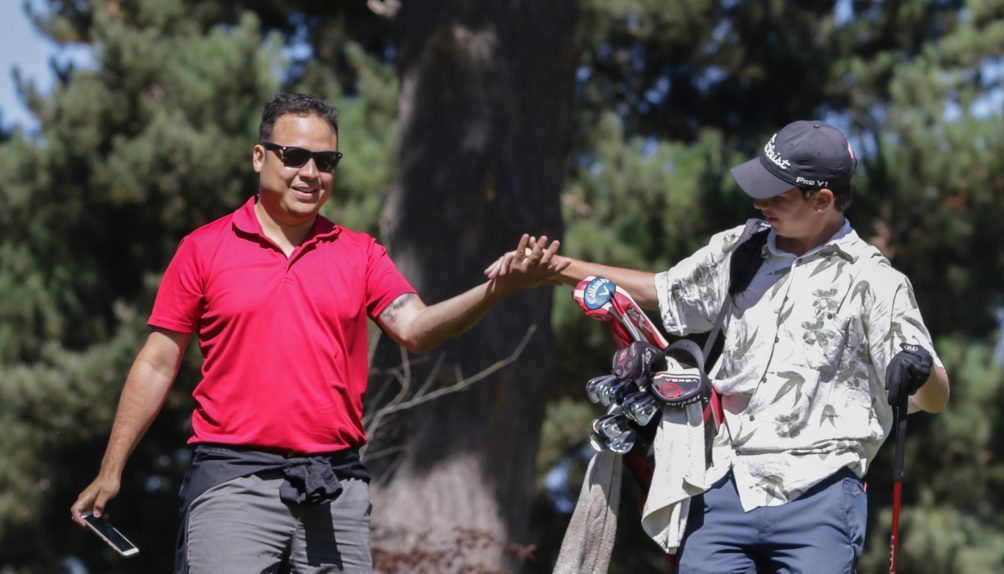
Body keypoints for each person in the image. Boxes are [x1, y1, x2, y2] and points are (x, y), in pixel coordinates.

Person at [71, 92, 566, 573]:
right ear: (260, 157)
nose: (311, 173)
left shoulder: (360, 254)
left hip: (336, 487)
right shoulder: (204, 248)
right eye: (295, 156)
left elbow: (416, 328)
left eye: (326, 161)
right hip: (233, 482)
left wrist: (497, 290)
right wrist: (111, 469)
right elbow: (157, 363)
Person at [492, 120, 949, 573]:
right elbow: (659, 291)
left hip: (821, 496)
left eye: (776, 195)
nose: (759, 203)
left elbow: (935, 397)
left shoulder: (875, 280)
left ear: (822, 200)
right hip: (723, 488)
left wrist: (922, 370)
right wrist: (552, 269)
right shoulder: (743, 248)